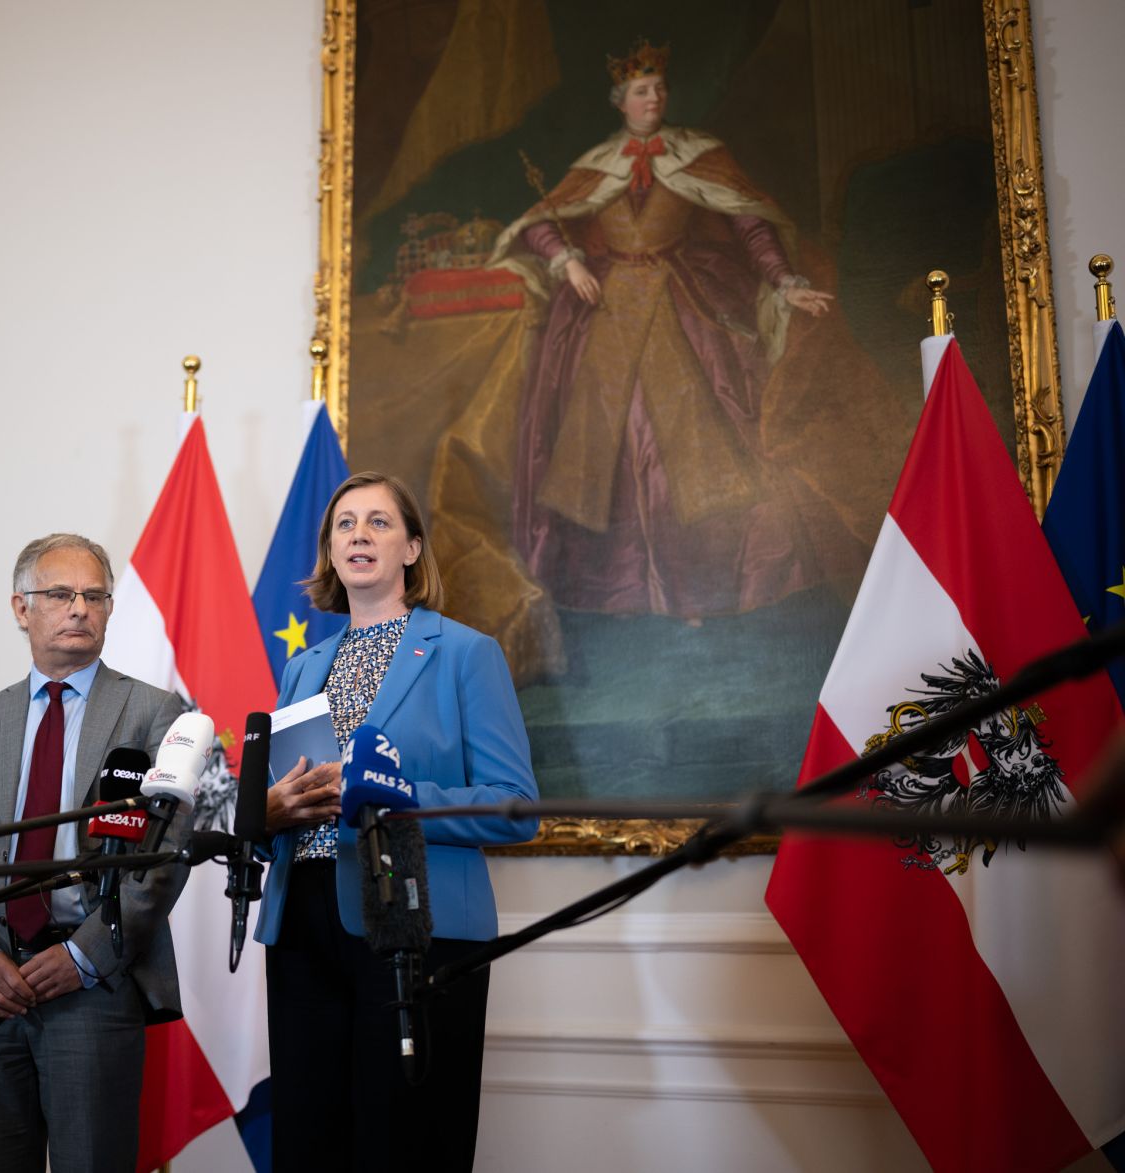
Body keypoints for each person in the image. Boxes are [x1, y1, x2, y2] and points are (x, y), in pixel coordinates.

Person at [489, 39, 835, 619]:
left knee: (695, 442)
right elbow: (538, 226)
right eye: (643, 91)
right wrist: (566, 260)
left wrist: (784, 280)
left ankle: (701, 587)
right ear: (621, 100)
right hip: (607, 315)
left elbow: (751, 225)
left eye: (660, 90)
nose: (655, 99)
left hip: (682, 306)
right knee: (610, 448)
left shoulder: (698, 154)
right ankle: (611, 592)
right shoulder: (596, 165)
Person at [255, 471, 540, 1171]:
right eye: (345, 523)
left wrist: (394, 794)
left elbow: (515, 806)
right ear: (329, 550)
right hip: (303, 923)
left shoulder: (465, 653)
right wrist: (270, 808)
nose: (359, 534)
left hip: (414, 924)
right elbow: (283, 792)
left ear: (412, 547)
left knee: (404, 1141)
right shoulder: (304, 665)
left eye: (379, 522)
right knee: (309, 1139)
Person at [0, 533, 187, 1173]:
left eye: (95, 596)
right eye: (61, 594)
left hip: (93, 989)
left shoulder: (155, 712)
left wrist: (83, 956)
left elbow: (162, 858)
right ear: (22, 608)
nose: (79, 609)